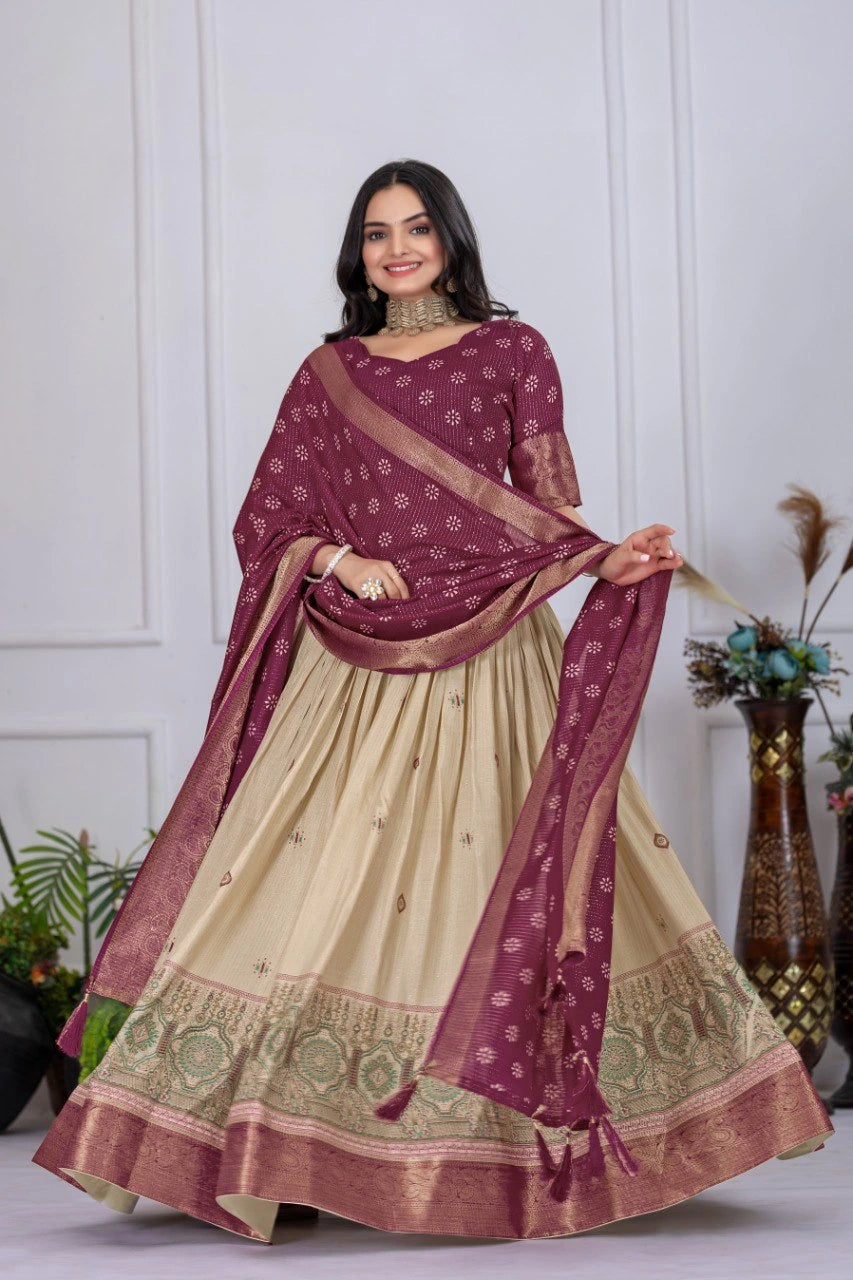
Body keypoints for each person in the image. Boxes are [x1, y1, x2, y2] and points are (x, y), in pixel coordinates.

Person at [32, 159, 833, 1243]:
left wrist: (607, 559)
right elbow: (265, 523)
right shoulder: (328, 373)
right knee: (304, 888)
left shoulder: (514, 351)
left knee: (518, 863)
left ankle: (534, 1154)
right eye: (376, 232)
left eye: (416, 227)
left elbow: (535, 515)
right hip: (355, 660)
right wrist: (339, 559)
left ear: (450, 238)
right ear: (356, 252)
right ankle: (288, 1146)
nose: (397, 247)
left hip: (497, 651)